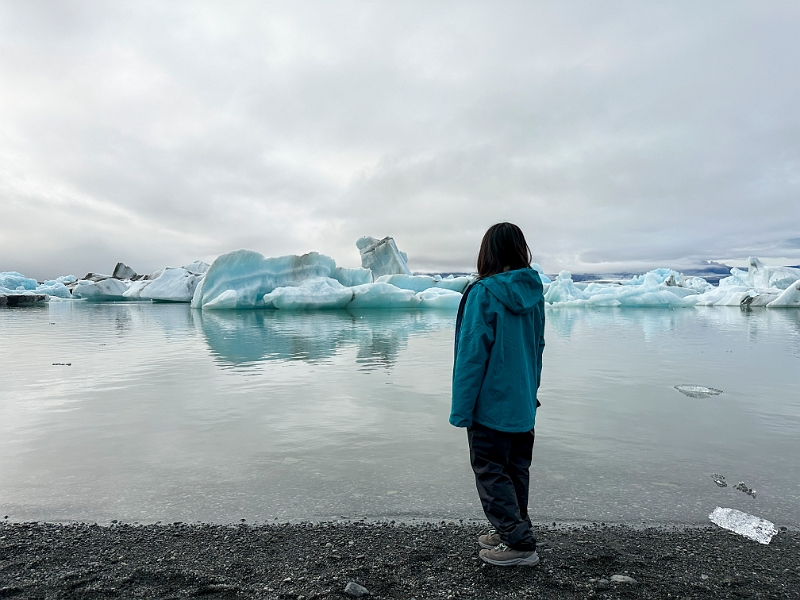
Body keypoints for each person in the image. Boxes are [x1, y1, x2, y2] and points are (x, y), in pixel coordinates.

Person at [450, 222, 545, 567]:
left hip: (490, 405)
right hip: (521, 402)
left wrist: (461, 408)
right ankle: (512, 529)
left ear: (487, 251)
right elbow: (538, 347)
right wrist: (530, 391)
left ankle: (519, 543)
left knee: (490, 470)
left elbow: (472, 353)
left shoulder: (483, 292)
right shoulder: (533, 291)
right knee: (516, 468)